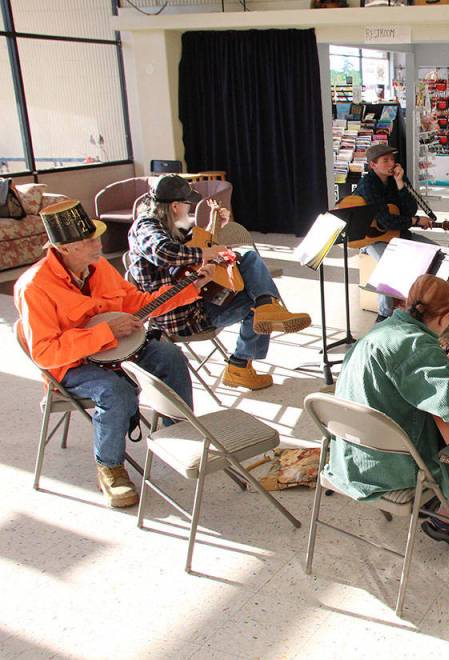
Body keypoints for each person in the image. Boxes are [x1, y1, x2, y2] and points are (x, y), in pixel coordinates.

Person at [15, 200, 213, 508]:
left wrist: (190, 286)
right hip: (71, 365)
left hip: (116, 350)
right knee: (116, 390)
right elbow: (45, 352)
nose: (99, 244)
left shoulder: (99, 267)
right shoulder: (34, 288)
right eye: (89, 241)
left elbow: (136, 303)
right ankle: (110, 468)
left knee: (169, 355)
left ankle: (179, 434)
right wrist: (105, 333)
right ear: (65, 249)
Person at [328, 274, 449, 549]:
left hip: (349, 454)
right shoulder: (416, 345)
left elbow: (404, 381)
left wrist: (446, 371)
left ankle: (438, 493)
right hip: (387, 466)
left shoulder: (382, 329)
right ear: (444, 318)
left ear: (409, 303)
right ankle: (445, 516)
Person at [127, 175, 311, 391]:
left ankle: (266, 308)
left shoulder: (169, 226)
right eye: (187, 204)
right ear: (175, 206)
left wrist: (216, 226)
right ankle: (240, 364)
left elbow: (195, 250)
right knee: (255, 302)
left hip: (195, 298)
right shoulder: (146, 227)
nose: (189, 209)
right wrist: (207, 251)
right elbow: (164, 252)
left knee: (249, 263)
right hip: (181, 315)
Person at [353, 143, 435, 322]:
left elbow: (410, 209)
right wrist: (414, 221)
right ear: (373, 165)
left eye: (392, 159)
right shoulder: (368, 185)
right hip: (374, 239)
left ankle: (422, 303)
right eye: (385, 160)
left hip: (398, 234)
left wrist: (400, 184)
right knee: (389, 264)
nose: (391, 164)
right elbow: (386, 221)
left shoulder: (397, 178)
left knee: (436, 252)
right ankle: (384, 315)